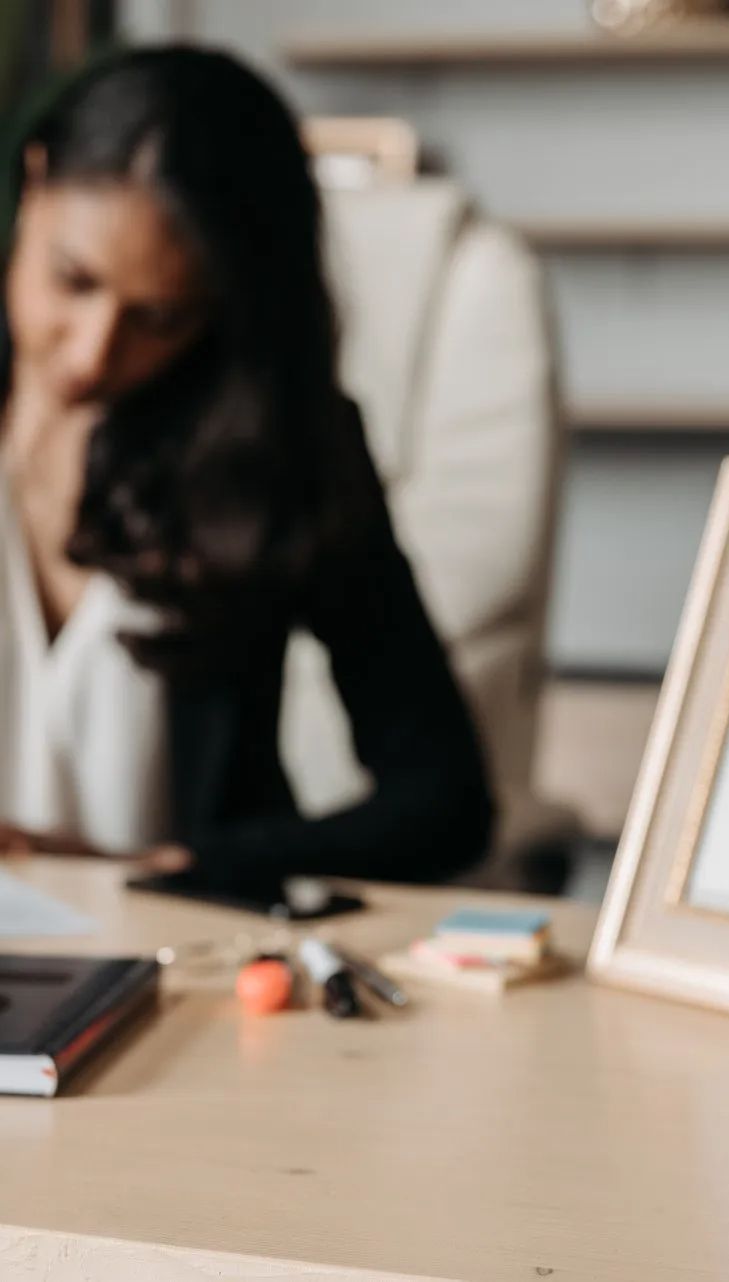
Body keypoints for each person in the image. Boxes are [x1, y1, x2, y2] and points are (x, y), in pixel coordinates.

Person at [0, 46, 494, 888]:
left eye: (158, 316)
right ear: (34, 181)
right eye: (72, 280)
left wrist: (192, 864)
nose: (90, 356)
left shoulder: (277, 452)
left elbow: (443, 801)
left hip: (184, 974)